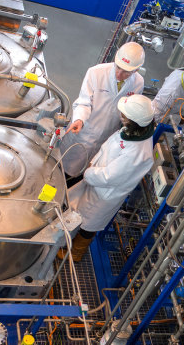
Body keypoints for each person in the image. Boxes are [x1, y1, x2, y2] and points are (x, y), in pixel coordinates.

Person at [58, 95, 155, 261]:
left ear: (132, 121)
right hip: (96, 181)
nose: (121, 116)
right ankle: (68, 241)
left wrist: (88, 173)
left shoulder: (137, 154)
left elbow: (109, 177)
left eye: (124, 115)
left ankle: (76, 252)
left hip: (104, 193)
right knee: (78, 211)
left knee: (88, 224)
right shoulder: (135, 131)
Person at [59, 42, 145, 186]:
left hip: (107, 138)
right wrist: (79, 119)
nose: (119, 74)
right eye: (118, 67)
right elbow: (84, 101)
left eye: (126, 72)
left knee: (83, 177)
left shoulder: (138, 83)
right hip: (84, 132)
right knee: (62, 171)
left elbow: (129, 111)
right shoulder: (96, 72)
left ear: (136, 70)